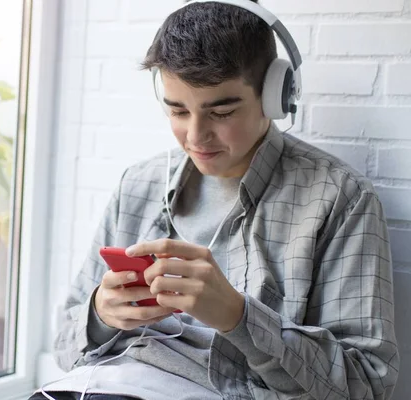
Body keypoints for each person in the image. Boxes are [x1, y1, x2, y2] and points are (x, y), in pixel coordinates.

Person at [30, 1, 400, 399]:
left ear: (276, 95)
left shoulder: (337, 198)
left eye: (221, 112)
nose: (195, 136)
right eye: (177, 110)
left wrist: (237, 317)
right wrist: (102, 315)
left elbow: (367, 383)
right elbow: (66, 344)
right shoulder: (139, 183)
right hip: (96, 385)